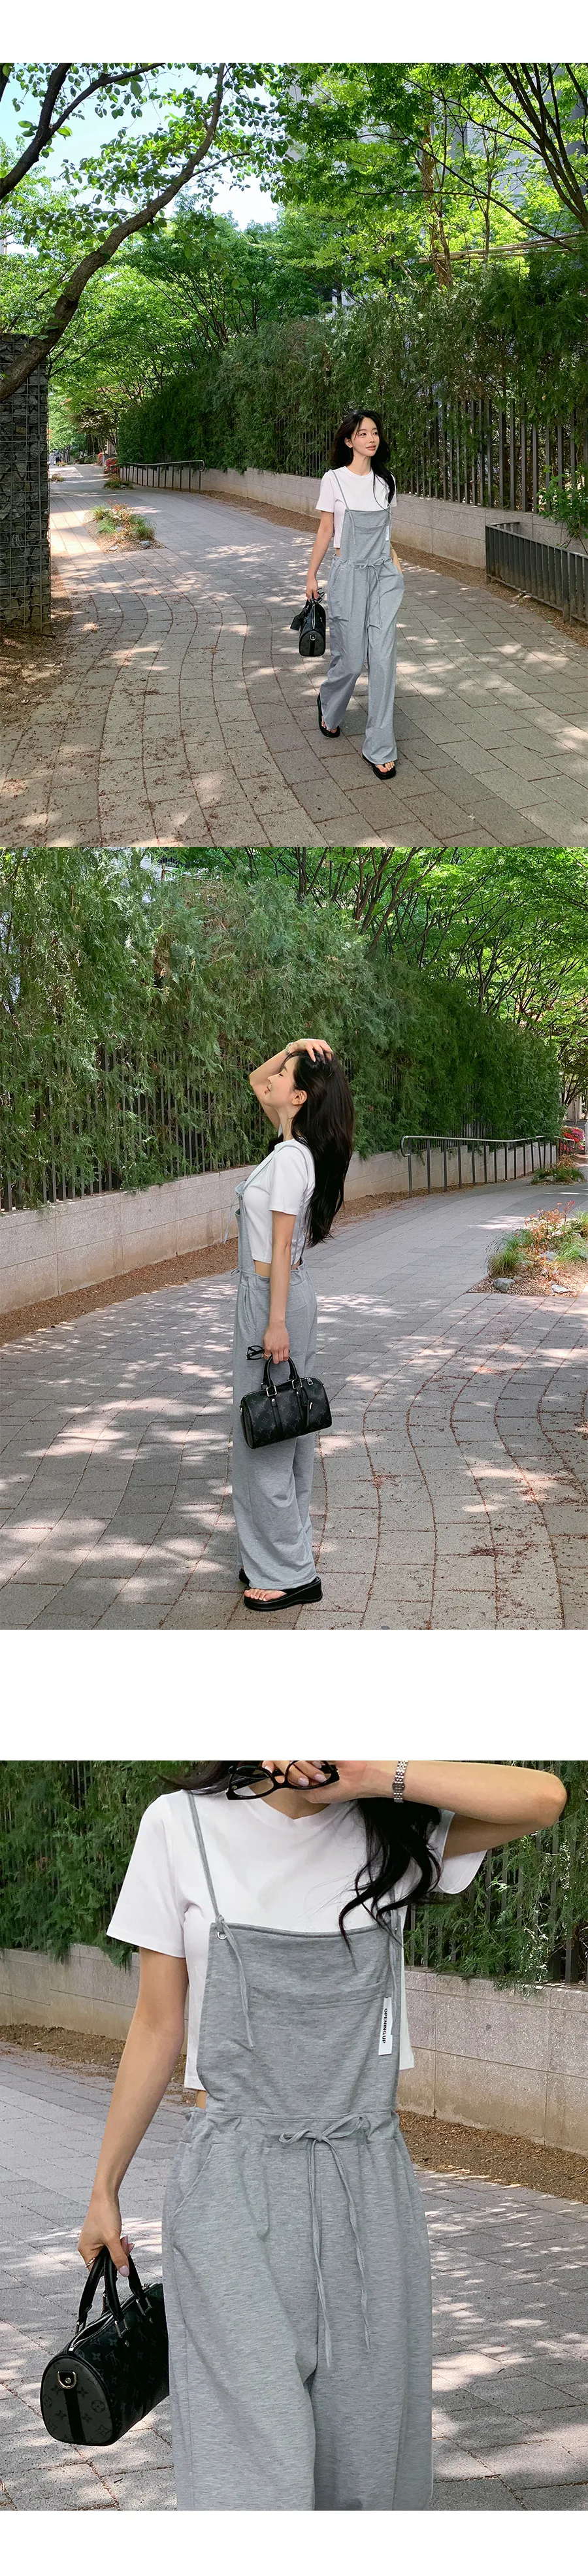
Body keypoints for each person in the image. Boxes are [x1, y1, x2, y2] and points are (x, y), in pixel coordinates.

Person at [78, 1757, 566, 2512]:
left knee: (366, 2469)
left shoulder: (395, 1832)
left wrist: (372, 1775)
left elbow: (542, 1798)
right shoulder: (180, 1825)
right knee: (249, 2472)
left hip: (366, 2186)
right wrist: (104, 2188)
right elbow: (156, 2023)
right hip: (230, 2186)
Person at [229, 1037, 353, 1613]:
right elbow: (256, 1081)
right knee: (290, 1428)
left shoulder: (288, 1160)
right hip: (282, 1293)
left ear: (300, 1098)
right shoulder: (295, 1149)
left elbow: (279, 1246)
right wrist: (290, 1049)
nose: (274, 1079)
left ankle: (289, 1572)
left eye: (287, 1075)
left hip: (270, 1297)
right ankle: (280, 1553)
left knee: (264, 1438)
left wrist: (273, 1323)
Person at [305, 408, 404, 780]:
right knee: (350, 661)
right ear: (349, 441)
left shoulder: (387, 481)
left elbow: (388, 533)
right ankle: (330, 704)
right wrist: (311, 575)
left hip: (383, 577)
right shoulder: (334, 480)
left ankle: (379, 746)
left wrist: (396, 568)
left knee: (382, 660)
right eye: (363, 433)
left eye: (375, 432)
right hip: (347, 576)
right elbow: (326, 530)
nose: (371, 439)